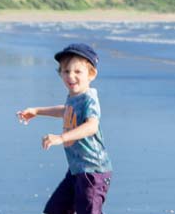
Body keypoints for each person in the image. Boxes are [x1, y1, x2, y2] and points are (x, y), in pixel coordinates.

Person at [17, 43, 113, 214]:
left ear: (91, 74)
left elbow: (92, 126)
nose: (71, 76)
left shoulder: (89, 98)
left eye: (77, 72)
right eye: (66, 71)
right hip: (76, 170)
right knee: (55, 209)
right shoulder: (74, 96)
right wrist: (37, 111)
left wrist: (61, 137)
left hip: (92, 172)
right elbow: (66, 110)